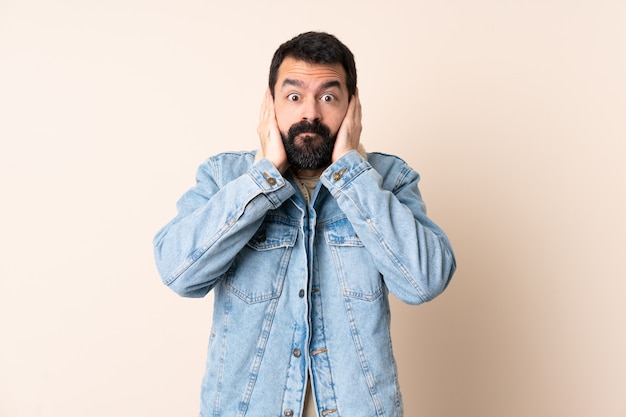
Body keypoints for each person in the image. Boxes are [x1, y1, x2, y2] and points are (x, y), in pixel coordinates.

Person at [153, 31, 456, 417]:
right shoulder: (225, 177)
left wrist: (350, 171)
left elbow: (424, 281)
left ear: (353, 106)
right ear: (270, 104)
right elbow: (178, 272)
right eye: (293, 97)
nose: (310, 113)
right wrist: (263, 178)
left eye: (328, 97)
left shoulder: (388, 180)